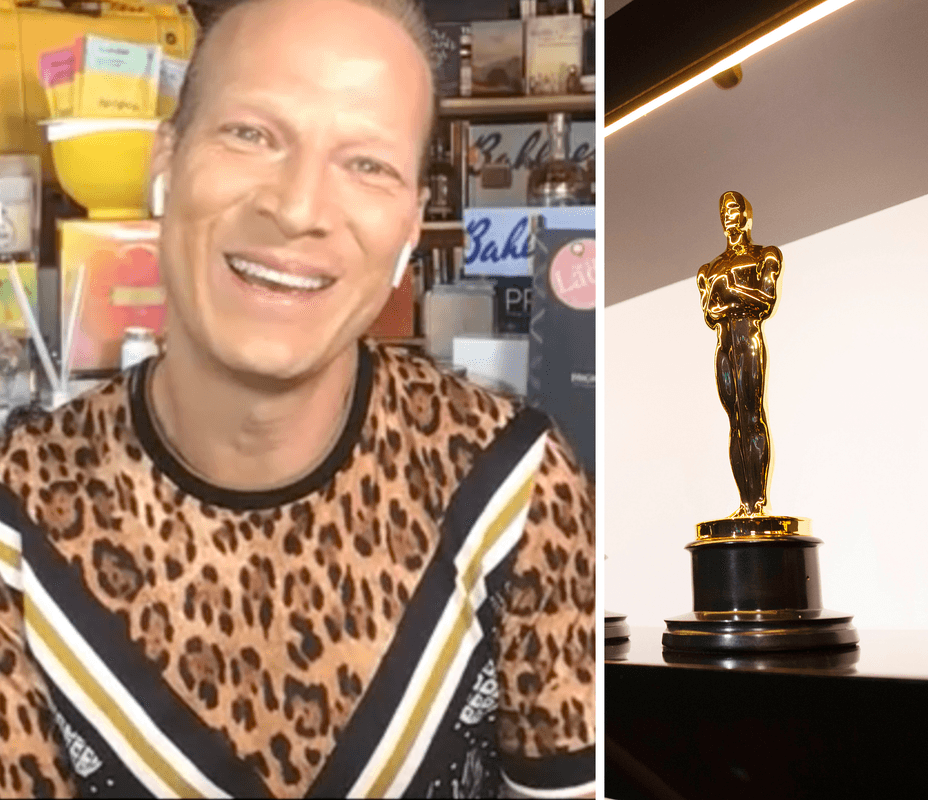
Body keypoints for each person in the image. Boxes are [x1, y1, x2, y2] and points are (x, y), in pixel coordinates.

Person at [0, 0, 595, 797]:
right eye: (252, 134)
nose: (299, 208)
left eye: (368, 164)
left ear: (412, 225)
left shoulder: (514, 490)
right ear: (165, 159)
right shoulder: (17, 521)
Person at [696, 191, 781, 517]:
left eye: (733, 209)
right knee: (735, 422)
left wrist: (731, 291)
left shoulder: (765, 255)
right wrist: (731, 295)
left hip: (748, 338)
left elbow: (764, 300)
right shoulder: (709, 267)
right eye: (723, 212)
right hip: (725, 345)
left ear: (746, 213)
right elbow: (709, 313)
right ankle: (745, 503)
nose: (728, 216)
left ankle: (758, 503)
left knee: (752, 415)